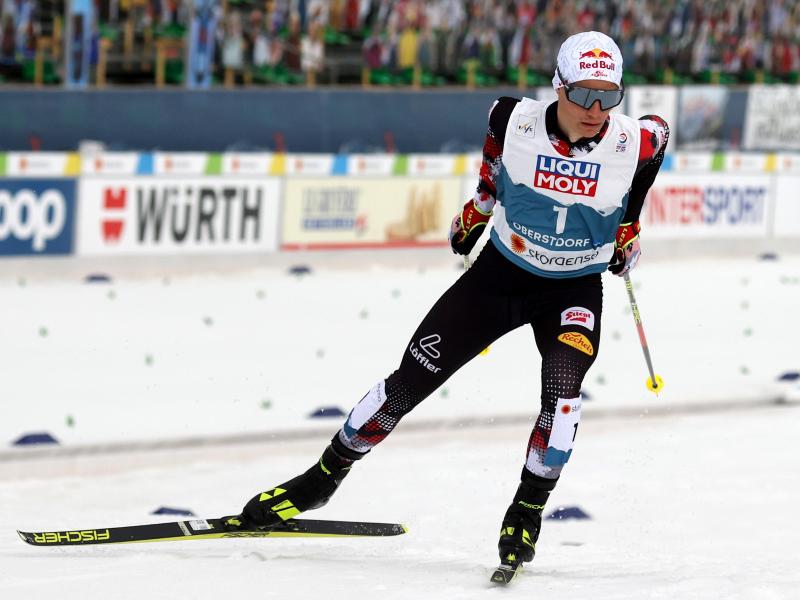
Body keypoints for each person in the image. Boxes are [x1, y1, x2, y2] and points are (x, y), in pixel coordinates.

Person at [226, 30, 670, 570]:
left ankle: (527, 510)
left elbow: (655, 149)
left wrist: (628, 225)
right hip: (499, 278)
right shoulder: (511, 119)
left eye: (608, 96)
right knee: (407, 383)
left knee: (562, 396)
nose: (596, 110)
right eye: (582, 95)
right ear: (558, 87)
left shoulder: (638, 140)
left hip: (573, 291)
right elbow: (492, 172)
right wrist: (477, 211)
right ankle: (320, 480)